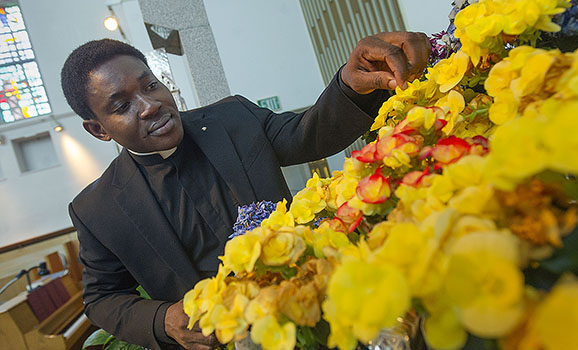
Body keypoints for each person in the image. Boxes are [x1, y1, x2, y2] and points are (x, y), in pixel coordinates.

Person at [61, 32, 431, 350]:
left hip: (317, 306)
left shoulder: (231, 119)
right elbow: (102, 298)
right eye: (123, 105)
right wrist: (163, 320)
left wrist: (351, 83)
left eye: (150, 85)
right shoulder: (98, 209)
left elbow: (308, 134)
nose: (149, 106)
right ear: (99, 130)